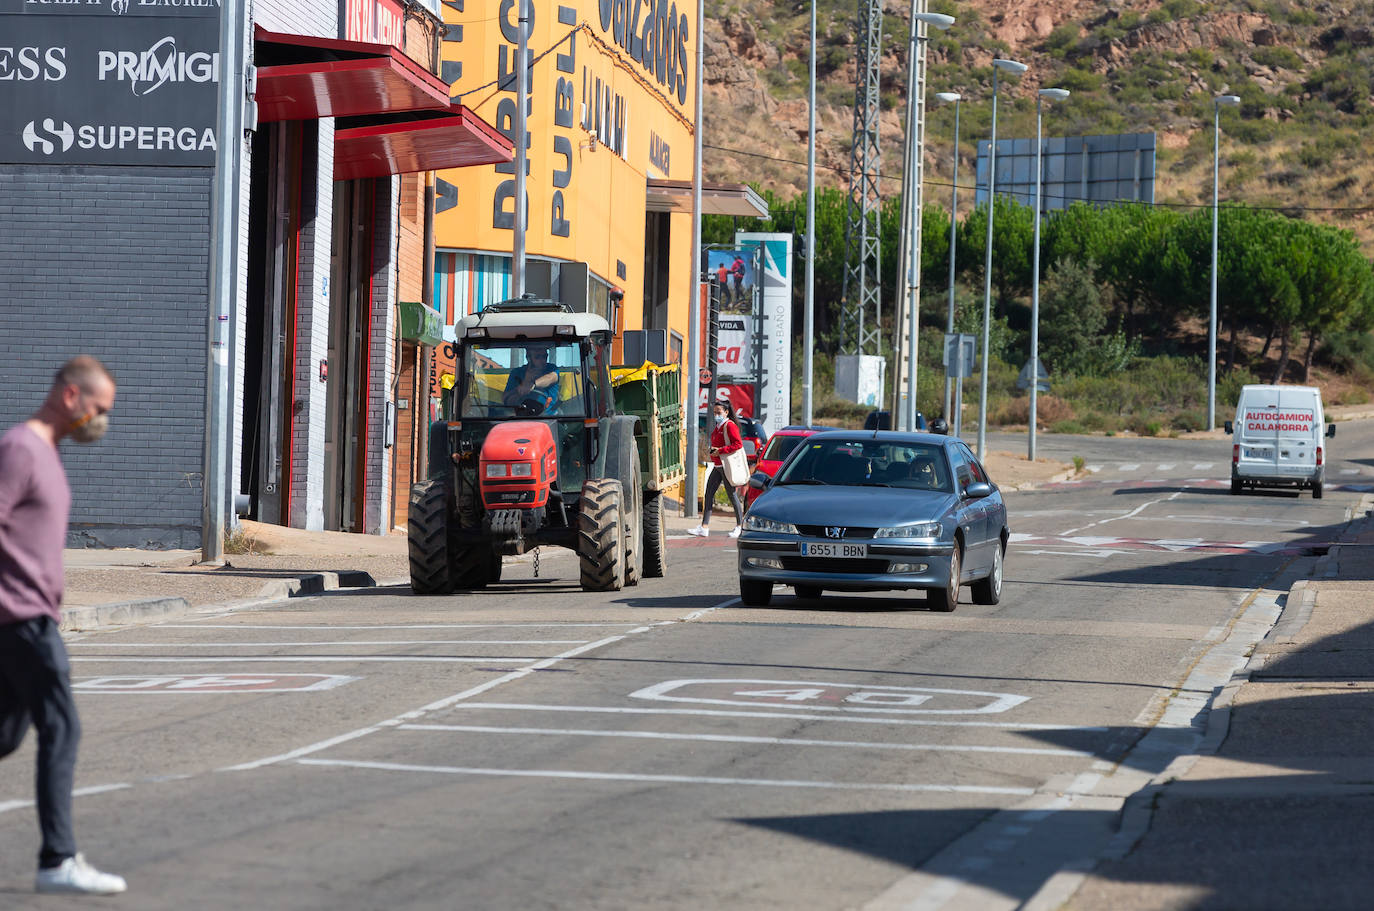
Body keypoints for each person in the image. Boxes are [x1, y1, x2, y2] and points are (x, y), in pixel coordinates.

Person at [0, 356, 126, 895]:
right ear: (71, 397)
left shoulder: (47, 452)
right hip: (21, 616)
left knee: (4, 736)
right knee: (63, 727)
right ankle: (58, 858)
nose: (100, 421)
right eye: (98, 409)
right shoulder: (21, 449)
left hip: (28, 616)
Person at [688, 400, 745, 538]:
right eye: (714, 412)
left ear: (726, 412)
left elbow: (738, 444)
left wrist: (720, 450)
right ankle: (704, 527)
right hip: (718, 465)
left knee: (732, 495)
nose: (716, 415)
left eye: (719, 412)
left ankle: (740, 526)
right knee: (708, 494)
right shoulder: (719, 425)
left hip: (726, 466)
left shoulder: (729, 425)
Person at [501, 345, 560, 415]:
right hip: (521, 418)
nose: (542, 360)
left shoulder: (551, 369)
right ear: (529, 358)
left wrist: (533, 384)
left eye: (544, 356)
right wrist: (523, 385)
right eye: (537, 357)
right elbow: (506, 400)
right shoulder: (516, 373)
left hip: (548, 419)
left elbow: (551, 378)